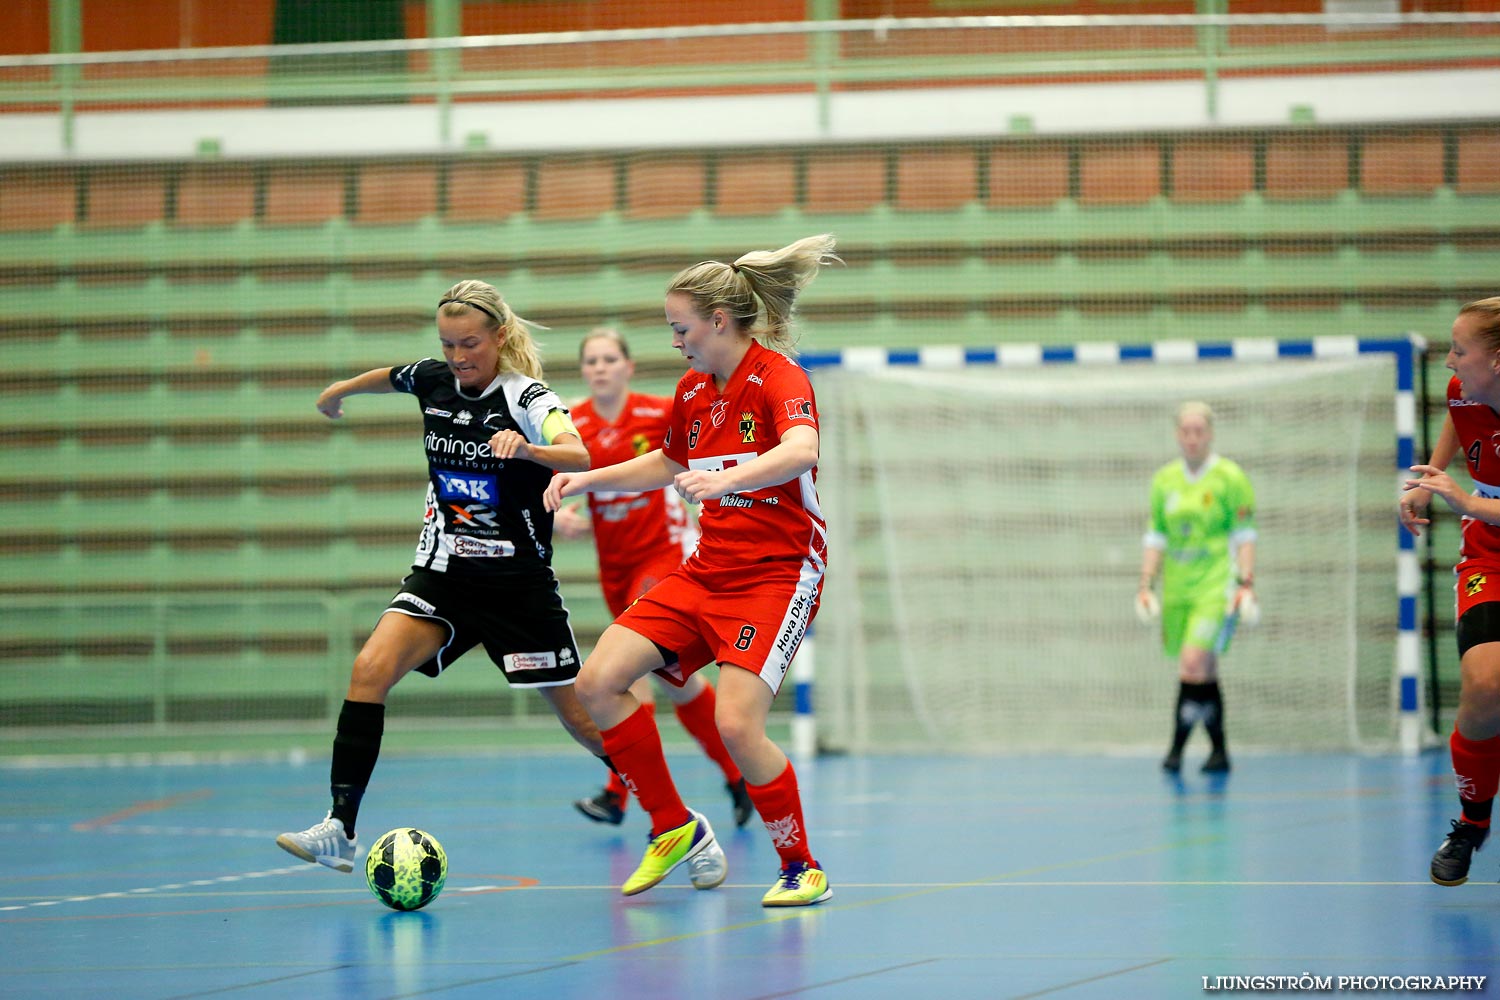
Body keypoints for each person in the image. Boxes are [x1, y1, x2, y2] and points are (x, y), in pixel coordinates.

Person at [543, 234, 839, 907]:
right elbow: (668, 464)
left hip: (780, 571)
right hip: (708, 571)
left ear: (717, 321)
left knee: (738, 724)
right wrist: (587, 481)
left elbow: (801, 449)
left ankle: (801, 866)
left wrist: (726, 481)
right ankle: (671, 825)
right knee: (598, 682)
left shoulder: (780, 377)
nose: (675, 341)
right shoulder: (691, 391)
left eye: (680, 328)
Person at [276, 279, 608, 872]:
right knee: (369, 668)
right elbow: (392, 375)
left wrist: (528, 450)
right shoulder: (433, 379)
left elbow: (578, 453)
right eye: (449, 343)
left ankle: (673, 817)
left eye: (470, 343)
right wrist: (339, 391)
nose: (459, 356)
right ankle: (340, 827)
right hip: (444, 574)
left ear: (499, 337)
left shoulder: (528, 398)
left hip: (517, 587)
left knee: (583, 720)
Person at [557, 327, 753, 829]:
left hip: (663, 556)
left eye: (608, 358)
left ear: (628, 366)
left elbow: (692, 453)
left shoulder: (657, 411)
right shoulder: (572, 425)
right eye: (591, 360)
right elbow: (549, 486)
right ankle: (735, 776)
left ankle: (619, 793)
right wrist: (557, 517)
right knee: (678, 685)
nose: (599, 368)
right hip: (615, 564)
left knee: (626, 672)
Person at [1401, 296, 1500, 887]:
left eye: (1460, 351)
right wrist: (1425, 480)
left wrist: (1463, 500)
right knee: (1484, 683)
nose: (1448, 362)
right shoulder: (1466, 390)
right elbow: (1455, 413)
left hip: (1485, 512)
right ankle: (1471, 821)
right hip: (1489, 549)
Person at [1136, 400, 1258, 775]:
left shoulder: (1229, 478)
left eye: (1199, 431)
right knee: (1202, 670)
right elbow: (1156, 537)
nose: (1192, 439)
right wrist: (1145, 585)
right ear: (1177, 434)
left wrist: (1245, 582)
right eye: (1185, 431)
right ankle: (1219, 752)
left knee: (1192, 663)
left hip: (1215, 586)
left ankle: (1175, 752)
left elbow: (1244, 535)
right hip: (1177, 589)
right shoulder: (1164, 481)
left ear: (1209, 434)